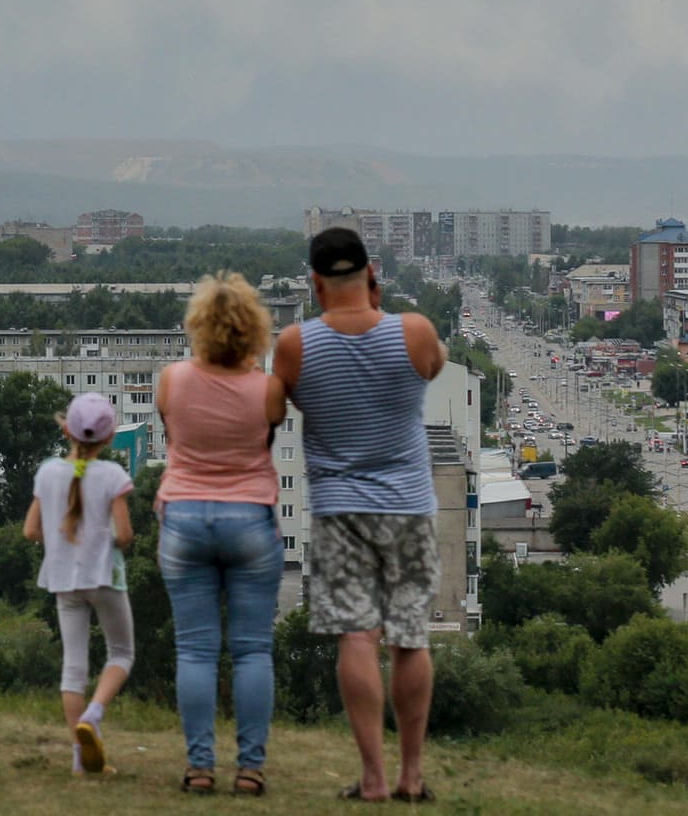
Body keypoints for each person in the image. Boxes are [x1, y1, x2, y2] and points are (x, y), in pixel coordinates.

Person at [272, 228, 445, 804]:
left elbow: (287, 400)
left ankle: (371, 777)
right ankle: (411, 776)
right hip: (409, 506)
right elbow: (435, 366)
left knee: (356, 635)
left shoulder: (295, 345)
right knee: (410, 639)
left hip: (339, 508)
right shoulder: (413, 331)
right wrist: (377, 308)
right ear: (372, 272)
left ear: (315, 283)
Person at [153, 272, 286, 796]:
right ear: (254, 329)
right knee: (253, 651)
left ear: (199, 327)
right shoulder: (268, 389)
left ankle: (199, 767)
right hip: (250, 519)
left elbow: (173, 431)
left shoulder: (172, 380)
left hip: (184, 519)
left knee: (196, 651)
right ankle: (250, 769)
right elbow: (266, 436)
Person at [23, 392, 136, 776]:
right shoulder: (113, 476)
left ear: (67, 429)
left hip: (62, 580)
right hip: (104, 577)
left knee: (74, 669)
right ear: (108, 439)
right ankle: (95, 713)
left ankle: (79, 757)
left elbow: (30, 530)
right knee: (121, 653)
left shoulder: (47, 472)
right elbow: (124, 535)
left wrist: (60, 541)